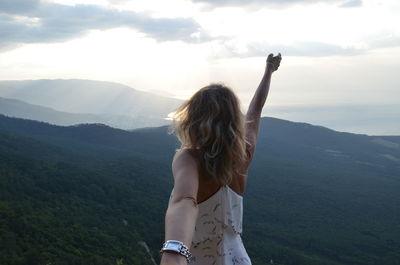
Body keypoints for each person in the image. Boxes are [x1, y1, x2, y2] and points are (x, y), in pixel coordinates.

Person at [160, 53, 282, 265]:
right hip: (238, 259)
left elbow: (184, 200)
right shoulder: (244, 153)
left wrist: (174, 252)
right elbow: (256, 109)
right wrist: (268, 71)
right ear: (234, 119)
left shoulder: (189, 158)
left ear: (193, 119)